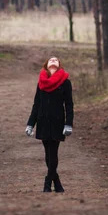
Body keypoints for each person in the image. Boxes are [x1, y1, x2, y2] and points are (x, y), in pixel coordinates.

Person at [25, 56, 74, 193]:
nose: (53, 60)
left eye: (56, 59)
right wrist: (30, 124)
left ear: (59, 65)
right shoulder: (41, 83)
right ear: (46, 65)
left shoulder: (65, 83)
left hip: (57, 122)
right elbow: (36, 105)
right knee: (48, 153)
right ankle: (57, 183)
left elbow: (69, 105)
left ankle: (47, 183)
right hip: (42, 121)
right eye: (51, 59)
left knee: (53, 152)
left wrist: (68, 124)